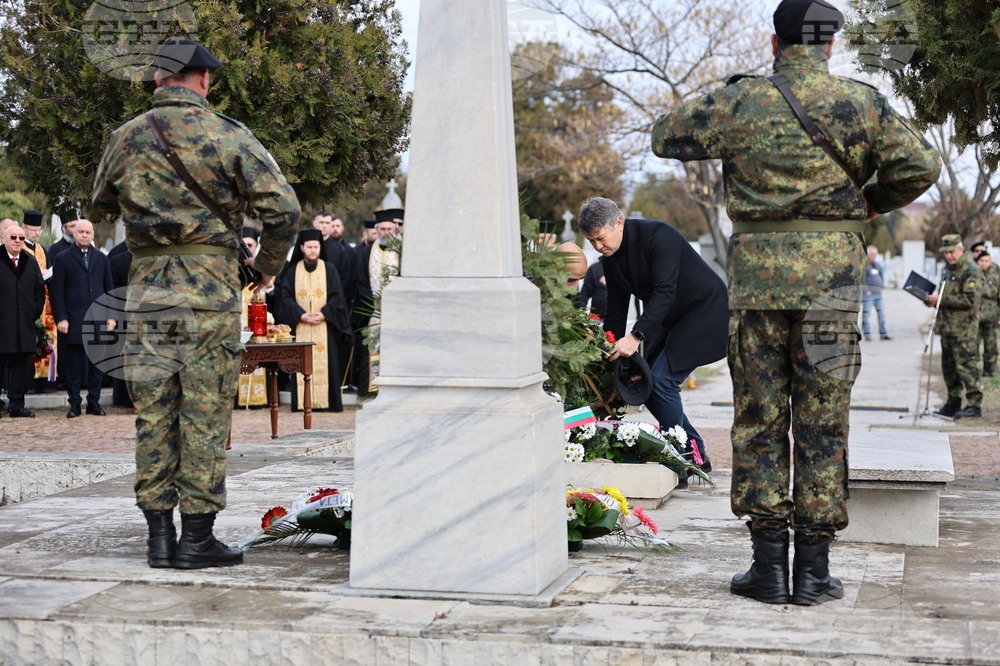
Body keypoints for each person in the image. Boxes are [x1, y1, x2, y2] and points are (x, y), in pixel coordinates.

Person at [650, 0, 940, 606]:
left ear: (775, 40)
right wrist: (865, 202)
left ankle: (766, 567)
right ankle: (812, 571)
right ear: (831, 45)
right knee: (823, 417)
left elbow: (664, 136)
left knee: (760, 418)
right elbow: (921, 164)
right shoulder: (862, 102)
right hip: (832, 287)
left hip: (758, 287)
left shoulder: (740, 100)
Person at [91, 38, 299, 569]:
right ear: (203, 80)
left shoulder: (125, 136)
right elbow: (283, 208)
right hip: (208, 291)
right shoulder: (228, 134)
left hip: (148, 290)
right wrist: (268, 267)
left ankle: (158, 537)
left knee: (155, 412)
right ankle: (197, 539)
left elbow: (102, 201)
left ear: (158, 79)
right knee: (203, 414)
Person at [579, 197, 729, 474]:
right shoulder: (610, 260)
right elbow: (615, 307)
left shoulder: (659, 235)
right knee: (642, 383)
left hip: (706, 310)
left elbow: (665, 291)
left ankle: (679, 460)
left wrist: (635, 337)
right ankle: (695, 452)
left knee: (661, 379)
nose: (598, 246)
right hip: (671, 318)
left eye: (600, 238)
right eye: (591, 242)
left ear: (618, 223)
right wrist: (608, 345)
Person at [275, 229, 352, 411]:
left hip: (323, 326)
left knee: (328, 365)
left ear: (320, 247)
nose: (312, 251)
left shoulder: (329, 269)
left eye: (316, 247)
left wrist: (324, 313)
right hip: (301, 325)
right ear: (301, 247)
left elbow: (338, 298)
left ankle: (328, 403)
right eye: (309, 247)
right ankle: (303, 403)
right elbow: (285, 298)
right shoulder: (293, 270)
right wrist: (300, 315)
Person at [49, 219, 115, 418]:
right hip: (74, 320)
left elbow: (109, 289)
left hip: (98, 319)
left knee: (97, 366)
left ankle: (93, 402)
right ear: (74, 233)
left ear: (93, 234)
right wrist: (61, 317)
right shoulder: (62, 259)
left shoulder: (102, 259)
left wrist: (111, 316)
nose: (84, 235)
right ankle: (75, 403)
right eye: (81, 232)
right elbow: (57, 292)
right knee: (74, 366)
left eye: (88, 232)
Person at [927, 235, 983, 418]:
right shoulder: (950, 269)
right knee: (949, 369)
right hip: (947, 328)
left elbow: (970, 299)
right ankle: (953, 402)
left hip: (964, 330)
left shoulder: (970, 270)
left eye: (951, 252)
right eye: (946, 253)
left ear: (961, 249)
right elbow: (945, 294)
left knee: (967, 367)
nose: (949, 256)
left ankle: (974, 405)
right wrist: (934, 301)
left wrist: (940, 300)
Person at [353, 209, 400, 393]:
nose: (385, 232)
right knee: (372, 352)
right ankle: (370, 390)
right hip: (373, 312)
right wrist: (372, 301)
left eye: (389, 228)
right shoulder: (366, 253)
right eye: (382, 228)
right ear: (377, 229)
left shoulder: (402, 252)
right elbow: (360, 280)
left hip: (396, 312)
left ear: (395, 229)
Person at [0, 225, 45, 417]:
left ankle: (16, 405)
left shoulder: (30, 261)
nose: (18, 240)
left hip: (23, 325)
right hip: (2, 326)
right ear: (4, 238)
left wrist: (34, 311)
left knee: (20, 368)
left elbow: (39, 289)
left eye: (20, 237)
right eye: (13, 237)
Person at [22, 210, 57, 389]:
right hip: (28, 303)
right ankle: (29, 382)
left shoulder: (43, 249)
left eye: (38, 230)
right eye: (32, 230)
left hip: (45, 303)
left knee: (46, 339)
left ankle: (45, 381)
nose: (36, 233)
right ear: (24, 229)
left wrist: (48, 276)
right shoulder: (20, 248)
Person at [973, 245, 999, 377]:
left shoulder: (996, 272)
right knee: (974, 343)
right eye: (981, 261)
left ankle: (988, 369)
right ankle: (974, 369)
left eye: (986, 261)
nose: (984, 264)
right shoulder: (973, 272)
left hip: (991, 315)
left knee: (990, 344)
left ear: (990, 261)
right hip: (975, 316)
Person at [861, 245, 891, 341]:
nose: (874, 256)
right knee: (866, 315)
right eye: (872, 254)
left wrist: (881, 286)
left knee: (881, 315)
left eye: (875, 254)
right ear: (868, 254)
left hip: (878, 294)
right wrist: (866, 290)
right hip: (868, 295)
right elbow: (861, 279)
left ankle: (883, 334)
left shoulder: (877, 265)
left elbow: (881, 276)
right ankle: (867, 335)